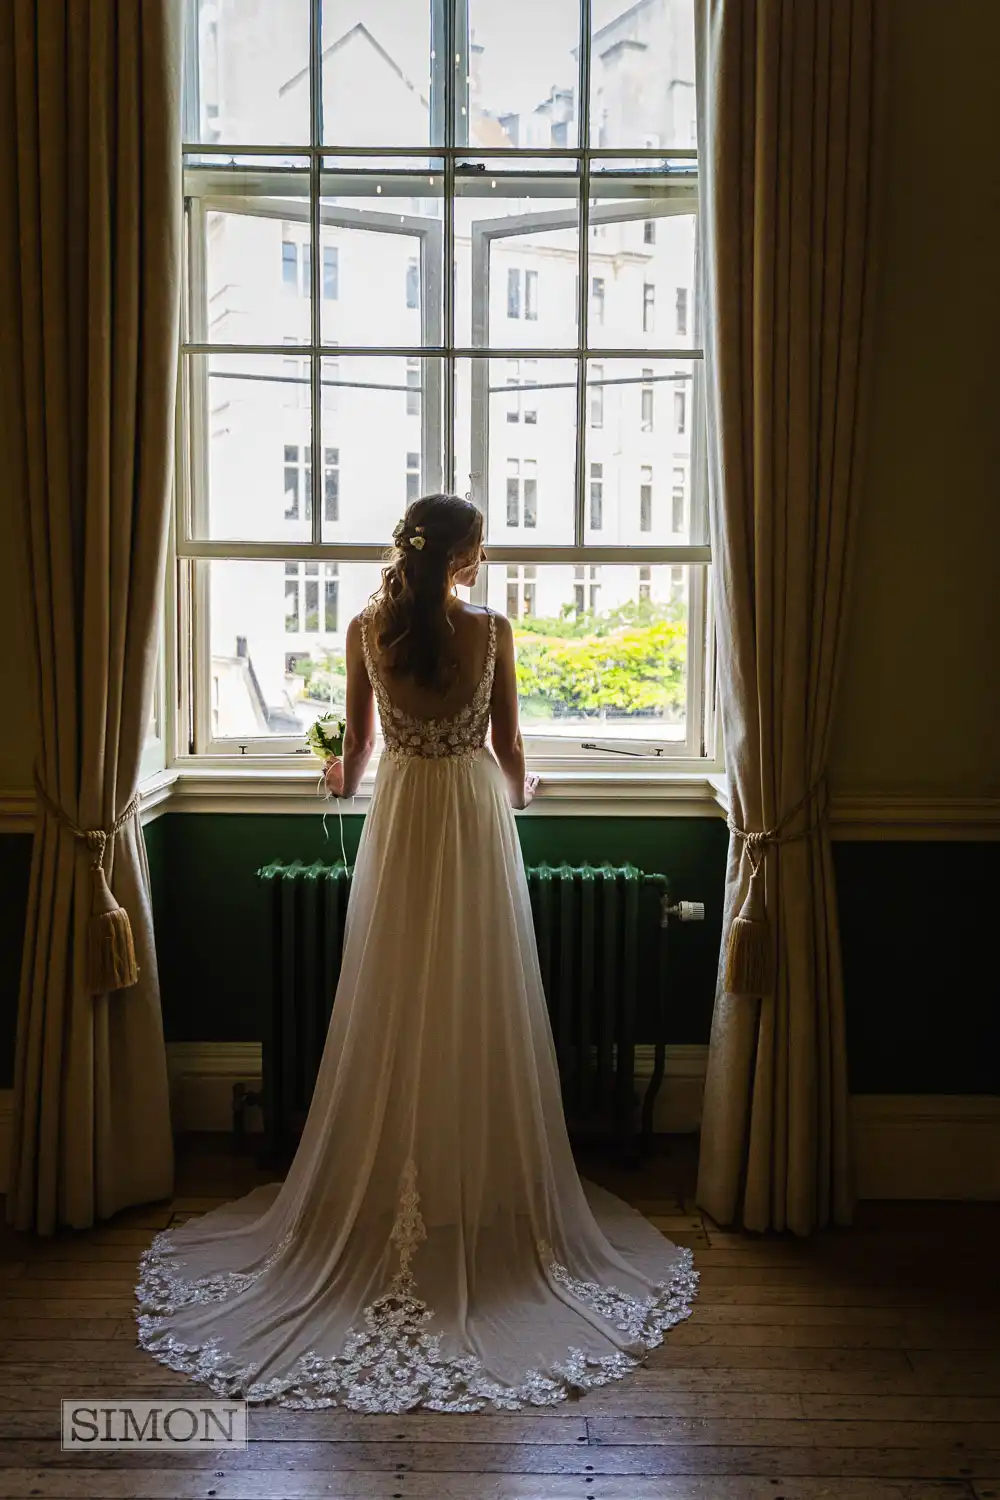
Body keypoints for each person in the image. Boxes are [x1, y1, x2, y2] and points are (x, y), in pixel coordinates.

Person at [136, 494, 697, 1413]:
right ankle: (471, 1196)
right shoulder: (496, 631)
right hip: (471, 821)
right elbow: (510, 748)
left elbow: (354, 759)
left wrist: (330, 770)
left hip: (401, 822)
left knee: (394, 996)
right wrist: (525, 788)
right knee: (476, 999)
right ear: (469, 555)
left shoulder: (366, 627)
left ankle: (400, 1184)